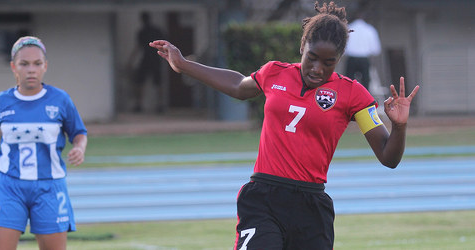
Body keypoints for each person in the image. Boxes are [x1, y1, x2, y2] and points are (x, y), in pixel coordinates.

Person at [150, 1, 419, 249]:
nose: (317, 69)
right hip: (263, 197)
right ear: (302, 47)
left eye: (328, 63)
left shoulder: (353, 94)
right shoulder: (274, 72)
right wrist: (184, 65)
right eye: (311, 58)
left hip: (311, 206)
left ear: (339, 59)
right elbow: (237, 86)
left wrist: (399, 127)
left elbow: (388, 157)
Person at [0, 36, 87, 250]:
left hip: (50, 186)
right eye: (24, 64)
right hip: (8, 186)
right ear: (13, 67)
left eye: (37, 64)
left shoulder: (60, 100)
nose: (31, 70)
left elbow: (78, 132)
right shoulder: (0, 102)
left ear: (45, 66)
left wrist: (79, 148)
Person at [127, 12, 165, 113]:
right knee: (154, 82)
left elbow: (138, 47)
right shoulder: (153, 30)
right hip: (155, 58)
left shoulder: (144, 31)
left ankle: (141, 104)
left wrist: (131, 60)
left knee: (143, 82)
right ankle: (158, 105)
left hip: (149, 58)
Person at [345, 9, 382, 90]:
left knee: (348, 82)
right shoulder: (370, 30)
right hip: (364, 59)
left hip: (351, 59)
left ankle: (348, 99)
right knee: (366, 82)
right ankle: (364, 99)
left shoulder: (349, 28)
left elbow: (343, 47)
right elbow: (376, 49)